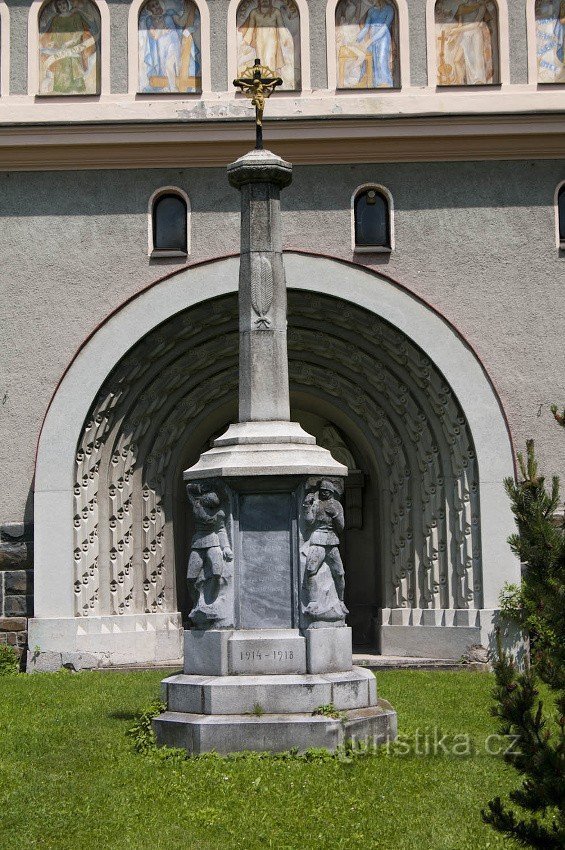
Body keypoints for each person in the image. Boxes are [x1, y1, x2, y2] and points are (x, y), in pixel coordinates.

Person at [186, 482, 233, 623]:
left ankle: (210, 603)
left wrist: (226, 547)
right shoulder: (196, 503)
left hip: (213, 541)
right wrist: (200, 487)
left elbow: (220, 529)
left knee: (216, 571)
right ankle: (197, 604)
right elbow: (189, 488)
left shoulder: (219, 511)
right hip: (198, 542)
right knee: (191, 578)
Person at [303, 479, 347, 611]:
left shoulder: (336, 505)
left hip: (332, 540)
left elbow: (341, 527)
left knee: (339, 573)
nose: (324, 494)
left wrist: (335, 514)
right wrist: (307, 506)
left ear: (331, 492)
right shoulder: (316, 504)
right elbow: (309, 521)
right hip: (317, 538)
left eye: (326, 491)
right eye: (322, 491)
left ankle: (341, 601)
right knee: (311, 570)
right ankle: (313, 601)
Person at [40, 0, 98, 94]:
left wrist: (69, 43)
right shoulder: (55, 19)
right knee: (61, 69)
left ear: (68, 4)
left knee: (75, 68)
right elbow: (53, 35)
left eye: (63, 3)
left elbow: (80, 32)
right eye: (59, 4)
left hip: (74, 48)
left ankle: (77, 91)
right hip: (60, 49)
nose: (62, 6)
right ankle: (61, 91)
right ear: (57, 7)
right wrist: (53, 43)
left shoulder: (76, 16)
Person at [356, 0, 395, 88]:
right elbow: (366, 28)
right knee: (369, 59)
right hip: (372, 37)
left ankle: (384, 84)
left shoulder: (389, 9)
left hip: (383, 37)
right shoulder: (371, 10)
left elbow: (385, 28)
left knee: (381, 60)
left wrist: (370, 40)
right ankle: (369, 84)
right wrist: (357, 39)